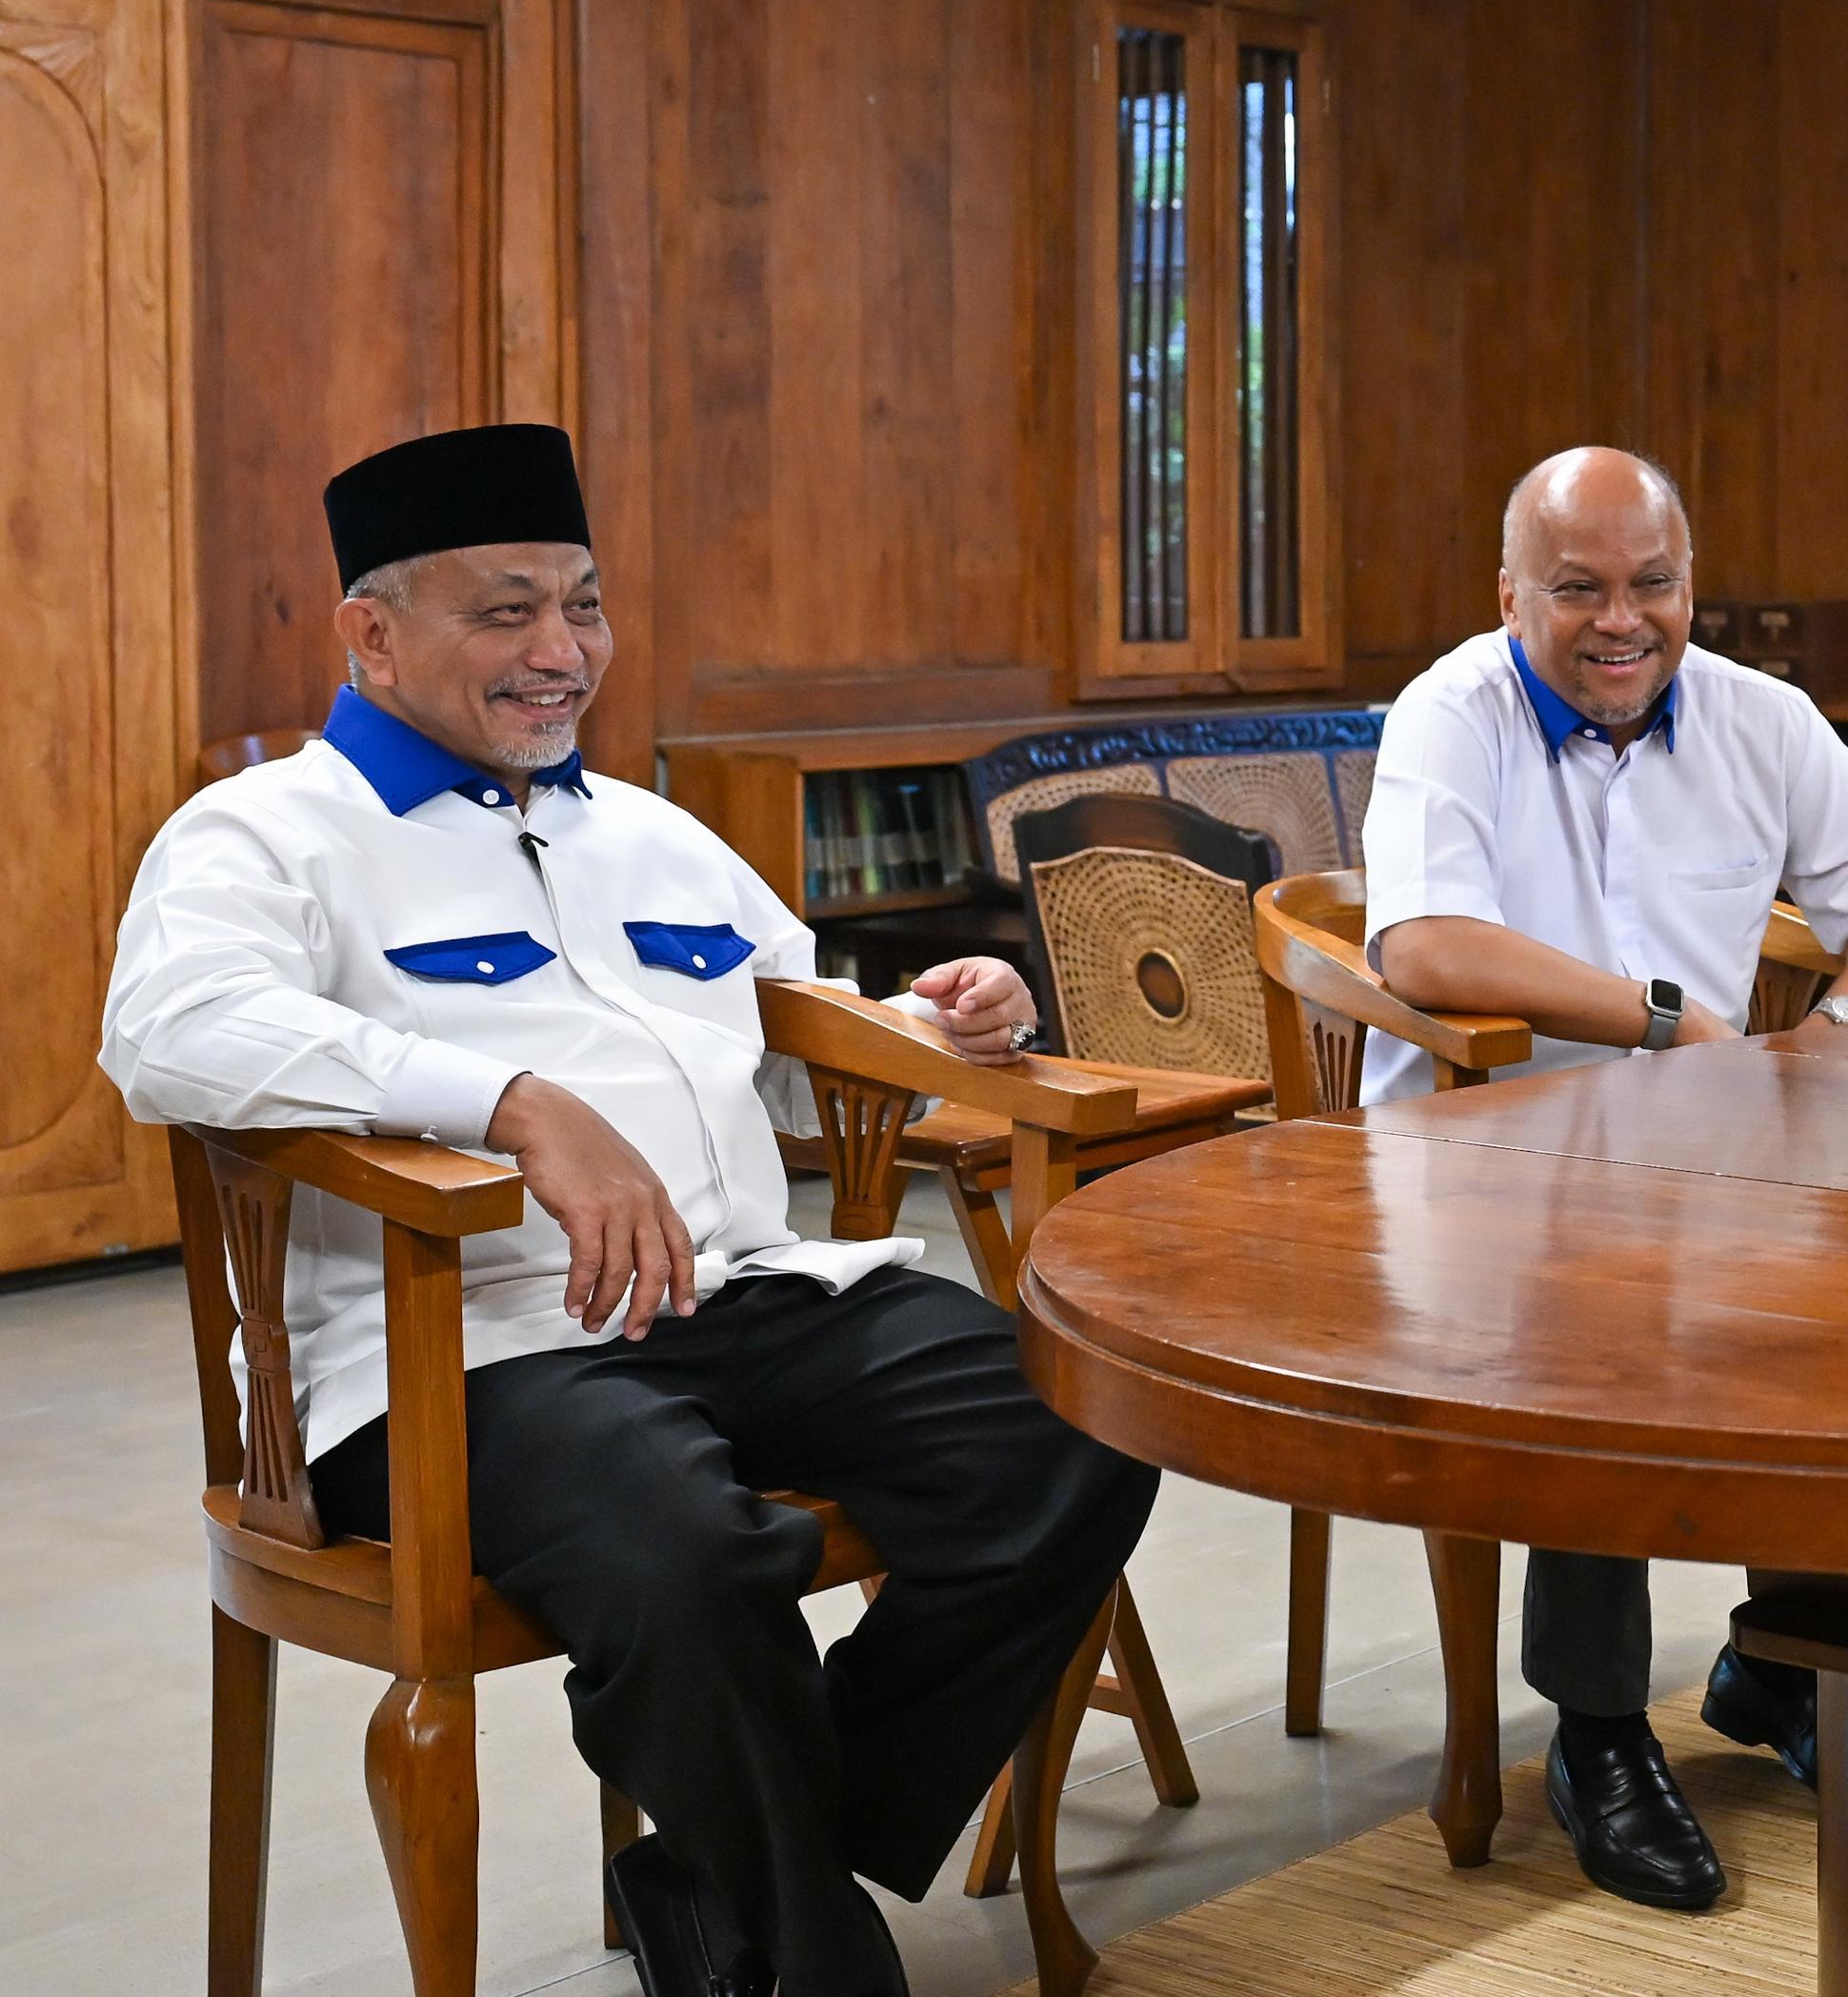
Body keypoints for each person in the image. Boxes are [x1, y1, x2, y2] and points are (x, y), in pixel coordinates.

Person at [102, 425, 1155, 1997]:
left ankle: (727, 1871)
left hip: (747, 1296)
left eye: (582, 605)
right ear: (369, 634)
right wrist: (512, 1102)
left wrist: (943, 1026)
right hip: (466, 1355)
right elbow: (165, 1035)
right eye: (506, 610)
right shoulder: (266, 835)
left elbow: (792, 1070)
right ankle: (813, 1954)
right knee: (682, 1550)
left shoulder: (659, 837)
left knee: (1084, 1418)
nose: (563, 652)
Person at [1360, 444, 1848, 1911]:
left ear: (1692, 586)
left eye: (1653, 584)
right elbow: (1424, 945)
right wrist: (1656, 1014)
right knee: (1595, 1310)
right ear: (1514, 594)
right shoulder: (1454, 712)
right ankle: (1602, 1727)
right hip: (1480, 1161)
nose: (1620, 620)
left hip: (1714, 1153)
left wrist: (1841, 1032)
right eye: (1579, 589)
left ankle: (1787, 1654)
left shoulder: (1761, 717)